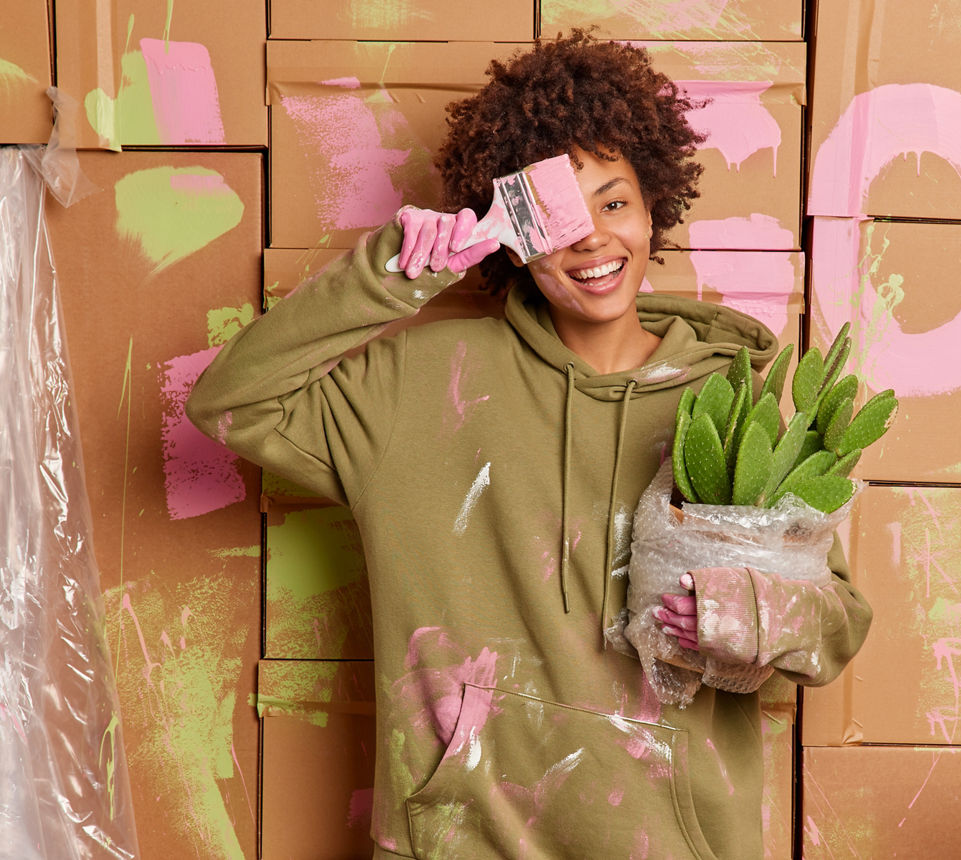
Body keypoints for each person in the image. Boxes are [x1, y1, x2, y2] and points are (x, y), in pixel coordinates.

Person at [187, 32, 872, 859]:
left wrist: (740, 614)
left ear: (655, 205)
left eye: (615, 203)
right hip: (461, 837)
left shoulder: (740, 402)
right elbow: (232, 404)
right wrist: (390, 275)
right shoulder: (417, 385)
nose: (592, 241)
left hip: (675, 841)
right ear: (514, 237)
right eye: (560, 218)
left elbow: (837, 624)